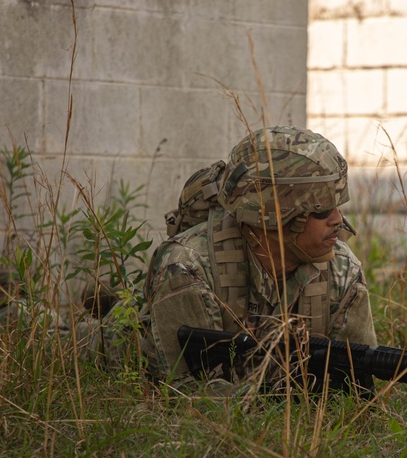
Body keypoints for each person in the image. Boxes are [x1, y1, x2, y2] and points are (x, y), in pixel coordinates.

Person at [140, 125, 378, 395]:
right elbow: (183, 393)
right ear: (276, 218)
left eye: (337, 206)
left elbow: (358, 387)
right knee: (107, 338)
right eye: (321, 210)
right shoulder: (188, 267)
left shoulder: (341, 267)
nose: (337, 220)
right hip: (134, 350)